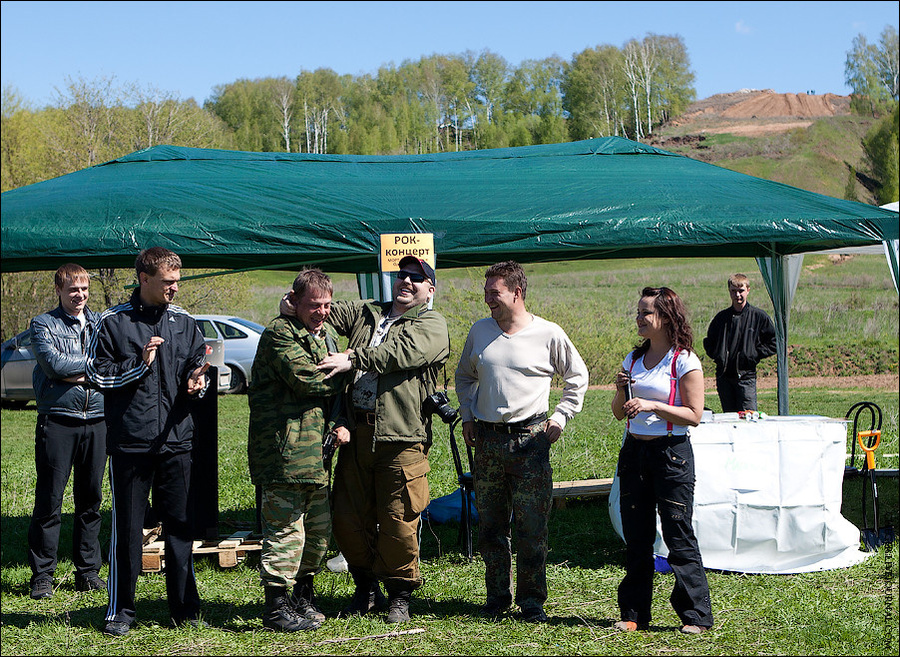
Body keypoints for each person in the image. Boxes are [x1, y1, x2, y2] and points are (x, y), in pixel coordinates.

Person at [290, 255, 450, 623]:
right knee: (348, 518)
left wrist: (352, 357)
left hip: (401, 437)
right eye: (402, 275)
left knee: (397, 520)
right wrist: (295, 300)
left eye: (416, 278)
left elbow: (402, 353)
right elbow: (324, 308)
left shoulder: (431, 323)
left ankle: (399, 594)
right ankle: (365, 588)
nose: (406, 282)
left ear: (430, 289)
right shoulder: (368, 312)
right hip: (356, 434)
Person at [455, 260, 589, 623]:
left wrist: (560, 416)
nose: (487, 300)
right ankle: (497, 597)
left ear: (517, 293)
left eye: (494, 293)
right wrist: (467, 415)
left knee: (532, 526)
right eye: (485, 293)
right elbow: (464, 377)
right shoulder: (480, 331)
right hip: (486, 441)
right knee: (491, 526)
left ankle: (531, 602)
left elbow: (577, 376)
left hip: (530, 442)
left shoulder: (547, 334)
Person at [87, 247, 210, 637]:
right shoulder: (112, 322)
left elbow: (196, 366)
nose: (175, 288)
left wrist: (197, 383)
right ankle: (121, 609)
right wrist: (138, 365)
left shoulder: (185, 322)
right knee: (128, 529)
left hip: (176, 441)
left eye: (177, 281)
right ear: (143, 278)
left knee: (179, 527)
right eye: (167, 282)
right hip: (131, 444)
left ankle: (184, 608)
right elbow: (96, 375)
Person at [248, 268, 350, 632]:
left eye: (326, 305)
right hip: (284, 452)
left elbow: (337, 394)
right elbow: (308, 378)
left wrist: (340, 422)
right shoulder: (279, 333)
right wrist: (351, 366)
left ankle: (302, 599)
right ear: (294, 301)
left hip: (317, 456)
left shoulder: (330, 335)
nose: (320, 312)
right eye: (312, 305)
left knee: (318, 533)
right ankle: (276, 608)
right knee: (285, 532)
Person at [611, 286, 713, 635]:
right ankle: (634, 613)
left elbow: (694, 414)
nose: (638, 318)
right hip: (634, 452)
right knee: (637, 536)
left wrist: (653, 405)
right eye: (638, 312)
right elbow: (616, 412)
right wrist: (620, 389)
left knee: (677, 531)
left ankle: (695, 615)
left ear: (666, 318)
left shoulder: (684, 360)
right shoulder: (633, 359)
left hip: (671, 455)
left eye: (646, 313)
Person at [27, 264, 107, 600]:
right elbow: (53, 366)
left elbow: (111, 362)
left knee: (90, 500)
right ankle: (43, 576)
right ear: (59, 290)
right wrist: (90, 368)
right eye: (73, 290)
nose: (80, 296)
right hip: (58, 420)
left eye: (85, 290)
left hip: (98, 419)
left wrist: (78, 371)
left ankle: (88, 572)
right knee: (50, 501)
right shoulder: (43, 323)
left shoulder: (100, 322)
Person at [703, 273, 777, 412]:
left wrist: (753, 354)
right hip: (724, 378)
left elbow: (774, 342)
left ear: (748, 290)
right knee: (729, 418)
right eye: (733, 291)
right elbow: (709, 342)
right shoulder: (721, 318)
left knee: (748, 418)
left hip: (746, 376)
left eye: (741, 290)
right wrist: (718, 356)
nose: (737, 295)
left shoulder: (758, 316)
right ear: (729, 291)